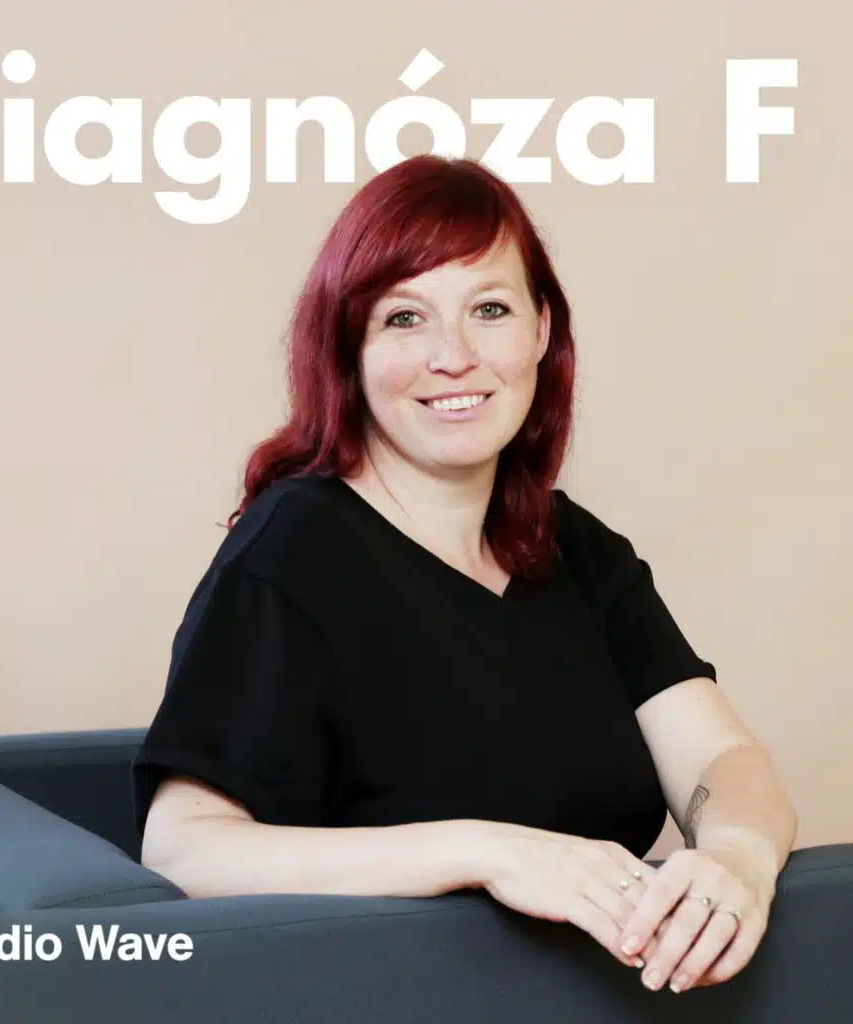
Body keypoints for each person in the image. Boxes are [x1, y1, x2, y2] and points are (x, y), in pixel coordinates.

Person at [131, 155, 797, 994]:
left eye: (489, 309)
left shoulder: (576, 549)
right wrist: (486, 852)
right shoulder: (292, 550)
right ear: (350, 350)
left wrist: (737, 857)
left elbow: (720, 759)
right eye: (405, 318)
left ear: (541, 329)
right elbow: (185, 848)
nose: (453, 356)